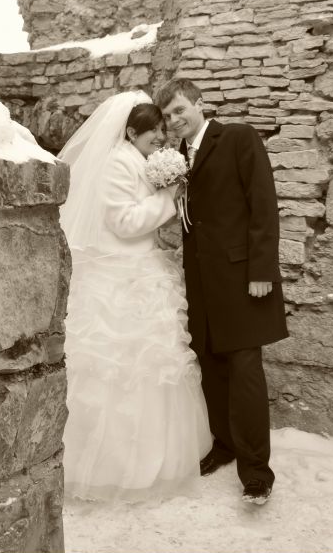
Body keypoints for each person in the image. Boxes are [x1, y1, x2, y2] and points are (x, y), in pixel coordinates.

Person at [58, 90, 212, 503]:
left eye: (162, 130)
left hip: (141, 271)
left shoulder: (140, 160)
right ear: (130, 133)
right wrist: (166, 198)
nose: (161, 137)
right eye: (153, 132)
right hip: (119, 279)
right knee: (118, 372)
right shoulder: (116, 163)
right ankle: (112, 466)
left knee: (154, 370)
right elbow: (124, 222)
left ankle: (154, 458)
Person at [155, 78, 289, 505]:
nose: (174, 120)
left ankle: (257, 474)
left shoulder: (237, 137)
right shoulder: (176, 159)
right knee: (211, 366)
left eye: (180, 110)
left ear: (200, 103)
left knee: (245, 371)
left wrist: (262, 270)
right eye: (168, 116)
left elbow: (262, 204)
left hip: (242, 277)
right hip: (199, 280)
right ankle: (225, 445)